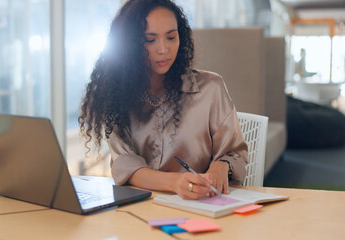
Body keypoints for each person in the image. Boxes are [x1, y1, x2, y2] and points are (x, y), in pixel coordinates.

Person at [79, 0, 248, 200]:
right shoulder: (118, 96)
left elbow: (235, 154)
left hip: (203, 208)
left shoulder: (211, 88)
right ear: (130, 45)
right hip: (141, 211)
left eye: (171, 37)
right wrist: (176, 183)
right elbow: (125, 166)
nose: (163, 49)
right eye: (150, 40)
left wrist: (223, 165)